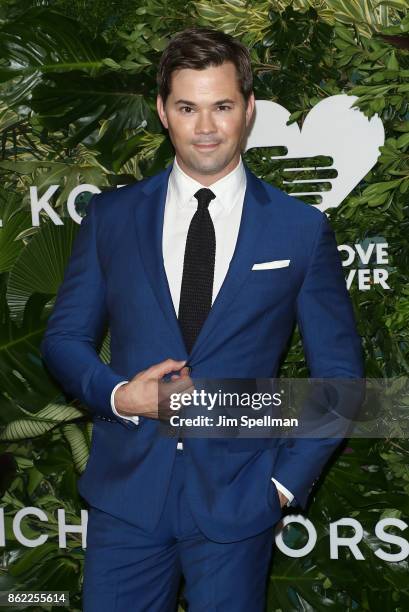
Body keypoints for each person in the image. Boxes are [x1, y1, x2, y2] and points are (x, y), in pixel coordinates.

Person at [40, 26, 364, 612]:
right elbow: (64, 339)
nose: (207, 127)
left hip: (240, 498)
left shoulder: (299, 229)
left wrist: (283, 483)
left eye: (222, 106)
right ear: (164, 112)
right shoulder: (112, 218)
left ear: (249, 111)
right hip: (127, 497)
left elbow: (338, 375)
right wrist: (119, 396)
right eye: (188, 108)